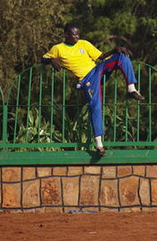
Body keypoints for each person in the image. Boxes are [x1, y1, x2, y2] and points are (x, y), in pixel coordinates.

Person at [42, 23, 145, 157]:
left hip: (98, 70)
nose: (77, 37)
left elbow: (101, 57)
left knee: (122, 56)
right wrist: (51, 60)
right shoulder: (58, 48)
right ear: (66, 35)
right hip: (87, 79)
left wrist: (115, 50)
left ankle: (132, 89)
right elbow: (43, 58)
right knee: (95, 106)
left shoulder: (84, 44)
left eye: (78, 34)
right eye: (74, 35)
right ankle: (99, 144)